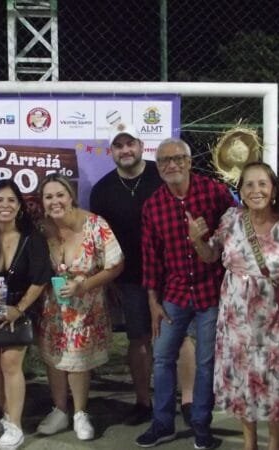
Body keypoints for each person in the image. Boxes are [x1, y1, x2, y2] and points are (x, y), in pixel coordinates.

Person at [189, 161, 279, 450]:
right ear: (241, 191)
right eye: (248, 184)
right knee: (241, 384)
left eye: (262, 183)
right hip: (235, 323)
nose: (255, 190)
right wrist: (197, 240)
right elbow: (210, 255)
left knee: (274, 383)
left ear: (273, 190)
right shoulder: (231, 220)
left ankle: (274, 445)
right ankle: (250, 444)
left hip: (275, 323)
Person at [136, 138, 235, 450]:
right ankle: (162, 424)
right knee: (163, 357)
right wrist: (153, 302)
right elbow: (150, 257)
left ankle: (202, 428)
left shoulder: (216, 193)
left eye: (178, 158)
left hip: (211, 291)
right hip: (174, 294)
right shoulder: (153, 205)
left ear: (190, 162)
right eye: (164, 160)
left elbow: (234, 234)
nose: (171, 165)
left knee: (206, 362)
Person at [36, 173, 124, 441]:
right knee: (54, 359)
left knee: (78, 362)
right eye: (48, 197)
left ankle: (80, 413)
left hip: (86, 308)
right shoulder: (42, 228)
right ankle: (60, 410)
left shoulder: (96, 225)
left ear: (70, 196)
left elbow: (116, 264)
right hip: (53, 310)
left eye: (59, 195)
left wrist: (83, 286)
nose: (55, 201)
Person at [89, 123, 162, 425]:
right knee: (139, 338)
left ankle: (185, 402)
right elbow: (99, 242)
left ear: (141, 145)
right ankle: (144, 402)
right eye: (119, 146)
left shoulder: (162, 175)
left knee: (179, 338)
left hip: (171, 275)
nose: (125, 150)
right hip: (129, 278)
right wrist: (110, 280)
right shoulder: (102, 190)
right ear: (111, 152)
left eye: (130, 143)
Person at [0, 179, 51, 450]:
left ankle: (15, 427)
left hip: (20, 306)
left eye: (11, 201)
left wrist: (19, 309)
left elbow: (40, 279)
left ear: (19, 207)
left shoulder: (33, 238)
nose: (4, 205)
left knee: (10, 365)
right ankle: (6, 417)